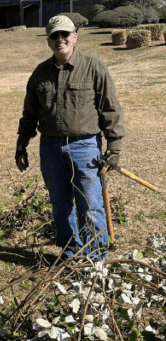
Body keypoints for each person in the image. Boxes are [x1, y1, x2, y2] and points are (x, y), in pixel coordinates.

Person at [16, 14, 125, 262]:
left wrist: (114, 147)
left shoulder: (94, 67)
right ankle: (70, 253)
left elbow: (111, 110)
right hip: (51, 148)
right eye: (54, 36)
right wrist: (21, 145)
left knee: (91, 204)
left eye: (65, 34)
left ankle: (95, 258)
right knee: (60, 205)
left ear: (74, 37)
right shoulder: (39, 74)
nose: (60, 39)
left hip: (85, 147)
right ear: (48, 41)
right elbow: (29, 114)